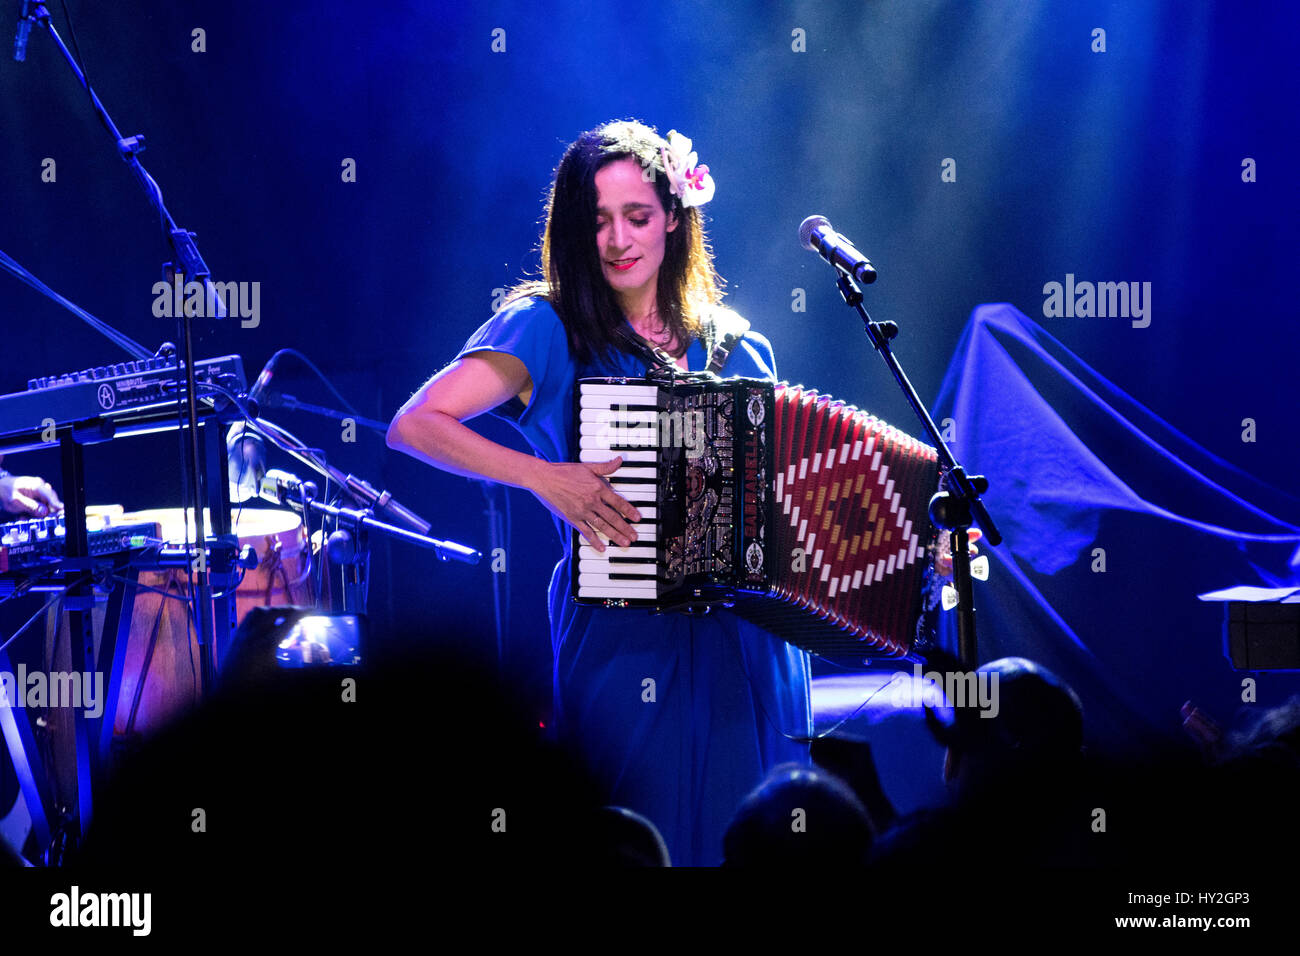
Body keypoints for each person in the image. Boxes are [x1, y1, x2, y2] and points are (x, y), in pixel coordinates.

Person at [388, 119, 812, 866]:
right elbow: (416, 424)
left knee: (759, 842)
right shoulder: (548, 328)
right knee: (632, 842)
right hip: (625, 638)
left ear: (675, 219)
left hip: (750, 644)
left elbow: (780, 493)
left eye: (638, 217)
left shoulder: (739, 345)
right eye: (598, 222)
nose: (617, 239)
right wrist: (544, 477)